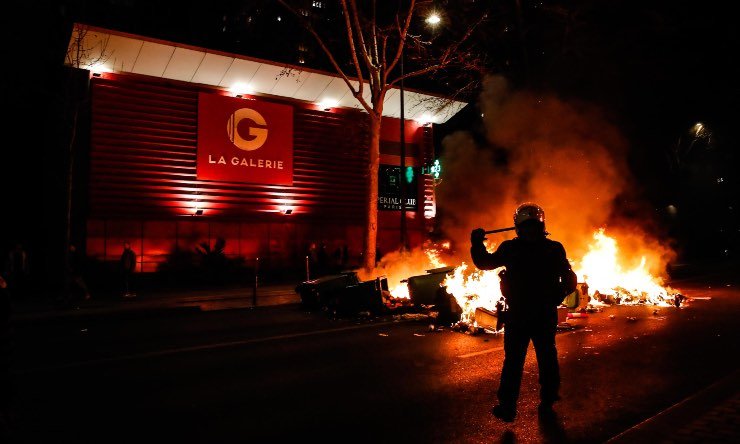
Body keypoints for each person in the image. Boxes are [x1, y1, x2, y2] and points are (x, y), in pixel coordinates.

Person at [470, 203, 577, 422]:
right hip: (542, 313)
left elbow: (485, 263)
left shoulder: (511, 248)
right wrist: (557, 296)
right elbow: (570, 279)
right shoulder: (554, 248)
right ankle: (548, 397)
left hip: (519, 314)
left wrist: (477, 243)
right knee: (547, 355)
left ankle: (508, 405)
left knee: (514, 361)